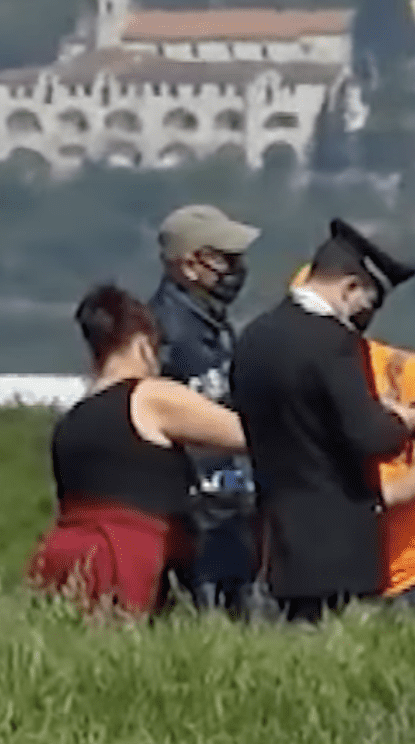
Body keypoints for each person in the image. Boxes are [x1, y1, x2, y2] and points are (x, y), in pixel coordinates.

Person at [230, 219, 415, 624]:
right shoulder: (333, 346)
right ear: (350, 288)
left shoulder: (254, 338)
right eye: (368, 303)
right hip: (338, 547)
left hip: (275, 538)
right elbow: (368, 435)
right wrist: (402, 420)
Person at [27, 284, 248, 620]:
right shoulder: (150, 397)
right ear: (144, 344)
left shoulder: (71, 420)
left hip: (66, 558)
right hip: (128, 555)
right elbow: (242, 434)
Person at [289, 252, 415, 617]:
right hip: (319, 582)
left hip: (414, 581)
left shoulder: (408, 374)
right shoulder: (289, 383)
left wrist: (343, 506)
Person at [149, 203, 263, 616]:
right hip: (196, 510)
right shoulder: (163, 332)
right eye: (227, 259)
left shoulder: (214, 325)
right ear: (190, 264)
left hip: (231, 502)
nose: (237, 269)